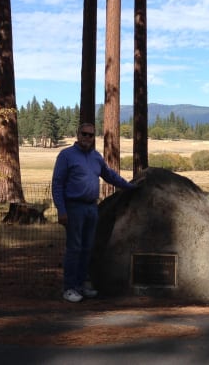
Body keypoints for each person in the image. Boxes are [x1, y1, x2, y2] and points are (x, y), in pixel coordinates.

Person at [51, 122, 137, 303]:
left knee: (87, 248)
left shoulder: (96, 157)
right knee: (74, 248)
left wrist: (130, 187)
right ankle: (69, 288)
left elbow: (109, 175)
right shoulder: (66, 156)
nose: (87, 138)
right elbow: (57, 184)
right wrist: (61, 210)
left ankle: (81, 285)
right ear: (78, 134)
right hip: (74, 207)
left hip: (91, 207)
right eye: (84, 134)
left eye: (91, 135)